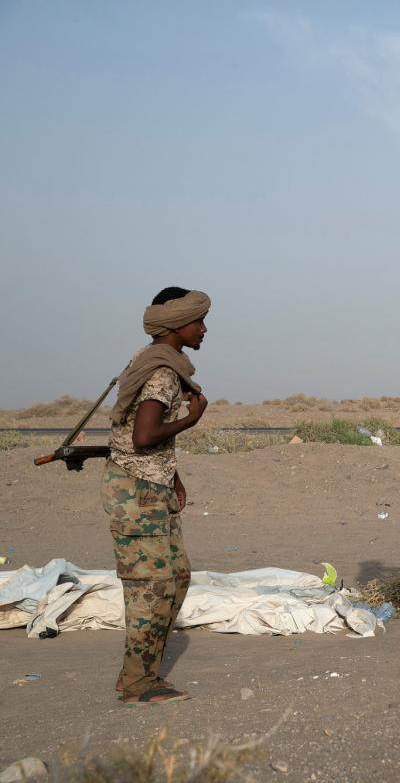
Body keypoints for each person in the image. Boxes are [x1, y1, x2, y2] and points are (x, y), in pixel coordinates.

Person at [104, 286, 210, 705]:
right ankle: (138, 684)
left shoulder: (155, 361)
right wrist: (191, 420)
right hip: (137, 489)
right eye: (198, 321)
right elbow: (144, 435)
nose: (204, 329)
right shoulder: (162, 372)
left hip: (153, 484)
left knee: (177, 577)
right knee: (151, 586)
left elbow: (148, 439)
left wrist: (174, 477)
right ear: (176, 323)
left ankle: (138, 672)